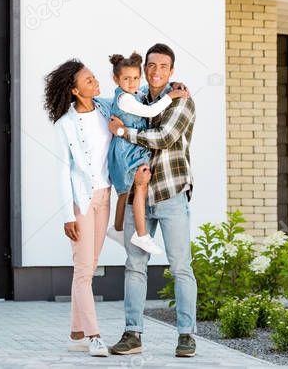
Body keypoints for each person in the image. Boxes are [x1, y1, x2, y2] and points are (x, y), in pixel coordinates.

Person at [106, 43, 198, 359]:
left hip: (170, 194)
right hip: (138, 196)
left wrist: (124, 134)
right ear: (145, 68)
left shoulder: (181, 101)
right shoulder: (136, 97)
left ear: (171, 71)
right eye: (151, 66)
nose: (156, 71)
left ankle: (186, 336)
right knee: (134, 265)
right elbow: (114, 106)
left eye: (163, 66)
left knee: (180, 267)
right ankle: (133, 334)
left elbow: (163, 138)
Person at [44, 58, 113, 357]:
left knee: (88, 268)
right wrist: (67, 215)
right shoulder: (65, 124)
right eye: (88, 81)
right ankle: (94, 336)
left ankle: (75, 334)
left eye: (94, 77)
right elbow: (63, 170)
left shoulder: (106, 108)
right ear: (74, 90)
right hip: (82, 201)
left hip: (106, 196)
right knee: (84, 270)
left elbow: (133, 97)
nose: (95, 82)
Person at [105, 52, 188, 255]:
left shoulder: (133, 95)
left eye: (135, 78)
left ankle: (117, 229)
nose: (132, 82)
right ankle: (140, 235)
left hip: (127, 152)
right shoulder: (128, 100)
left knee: (125, 194)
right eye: (127, 78)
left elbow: (145, 95)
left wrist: (172, 85)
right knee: (139, 188)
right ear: (116, 79)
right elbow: (150, 112)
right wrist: (170, 96)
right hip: (130, 153)